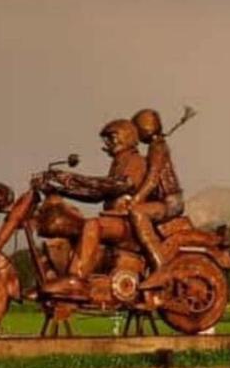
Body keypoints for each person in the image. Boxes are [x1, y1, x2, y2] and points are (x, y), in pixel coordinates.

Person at [40, 118, 145, 297]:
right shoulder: (119, 163)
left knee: (92, 225)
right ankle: (53, 277)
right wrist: (61, 189)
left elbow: (120, 185)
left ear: (127, 136)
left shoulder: (136, 160)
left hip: (129, 224)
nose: (108, 143)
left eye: (112, 137)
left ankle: (76, 279)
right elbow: (96, 194)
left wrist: (74, 179)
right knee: (74, 227)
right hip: (116, 222)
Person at [127, 108, 185, 270]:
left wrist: (136, 199)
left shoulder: (157, 147)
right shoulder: (157, 146)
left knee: (138, 213)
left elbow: (152, 179)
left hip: (170, 202)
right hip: (167, 200)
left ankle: (159, 266)